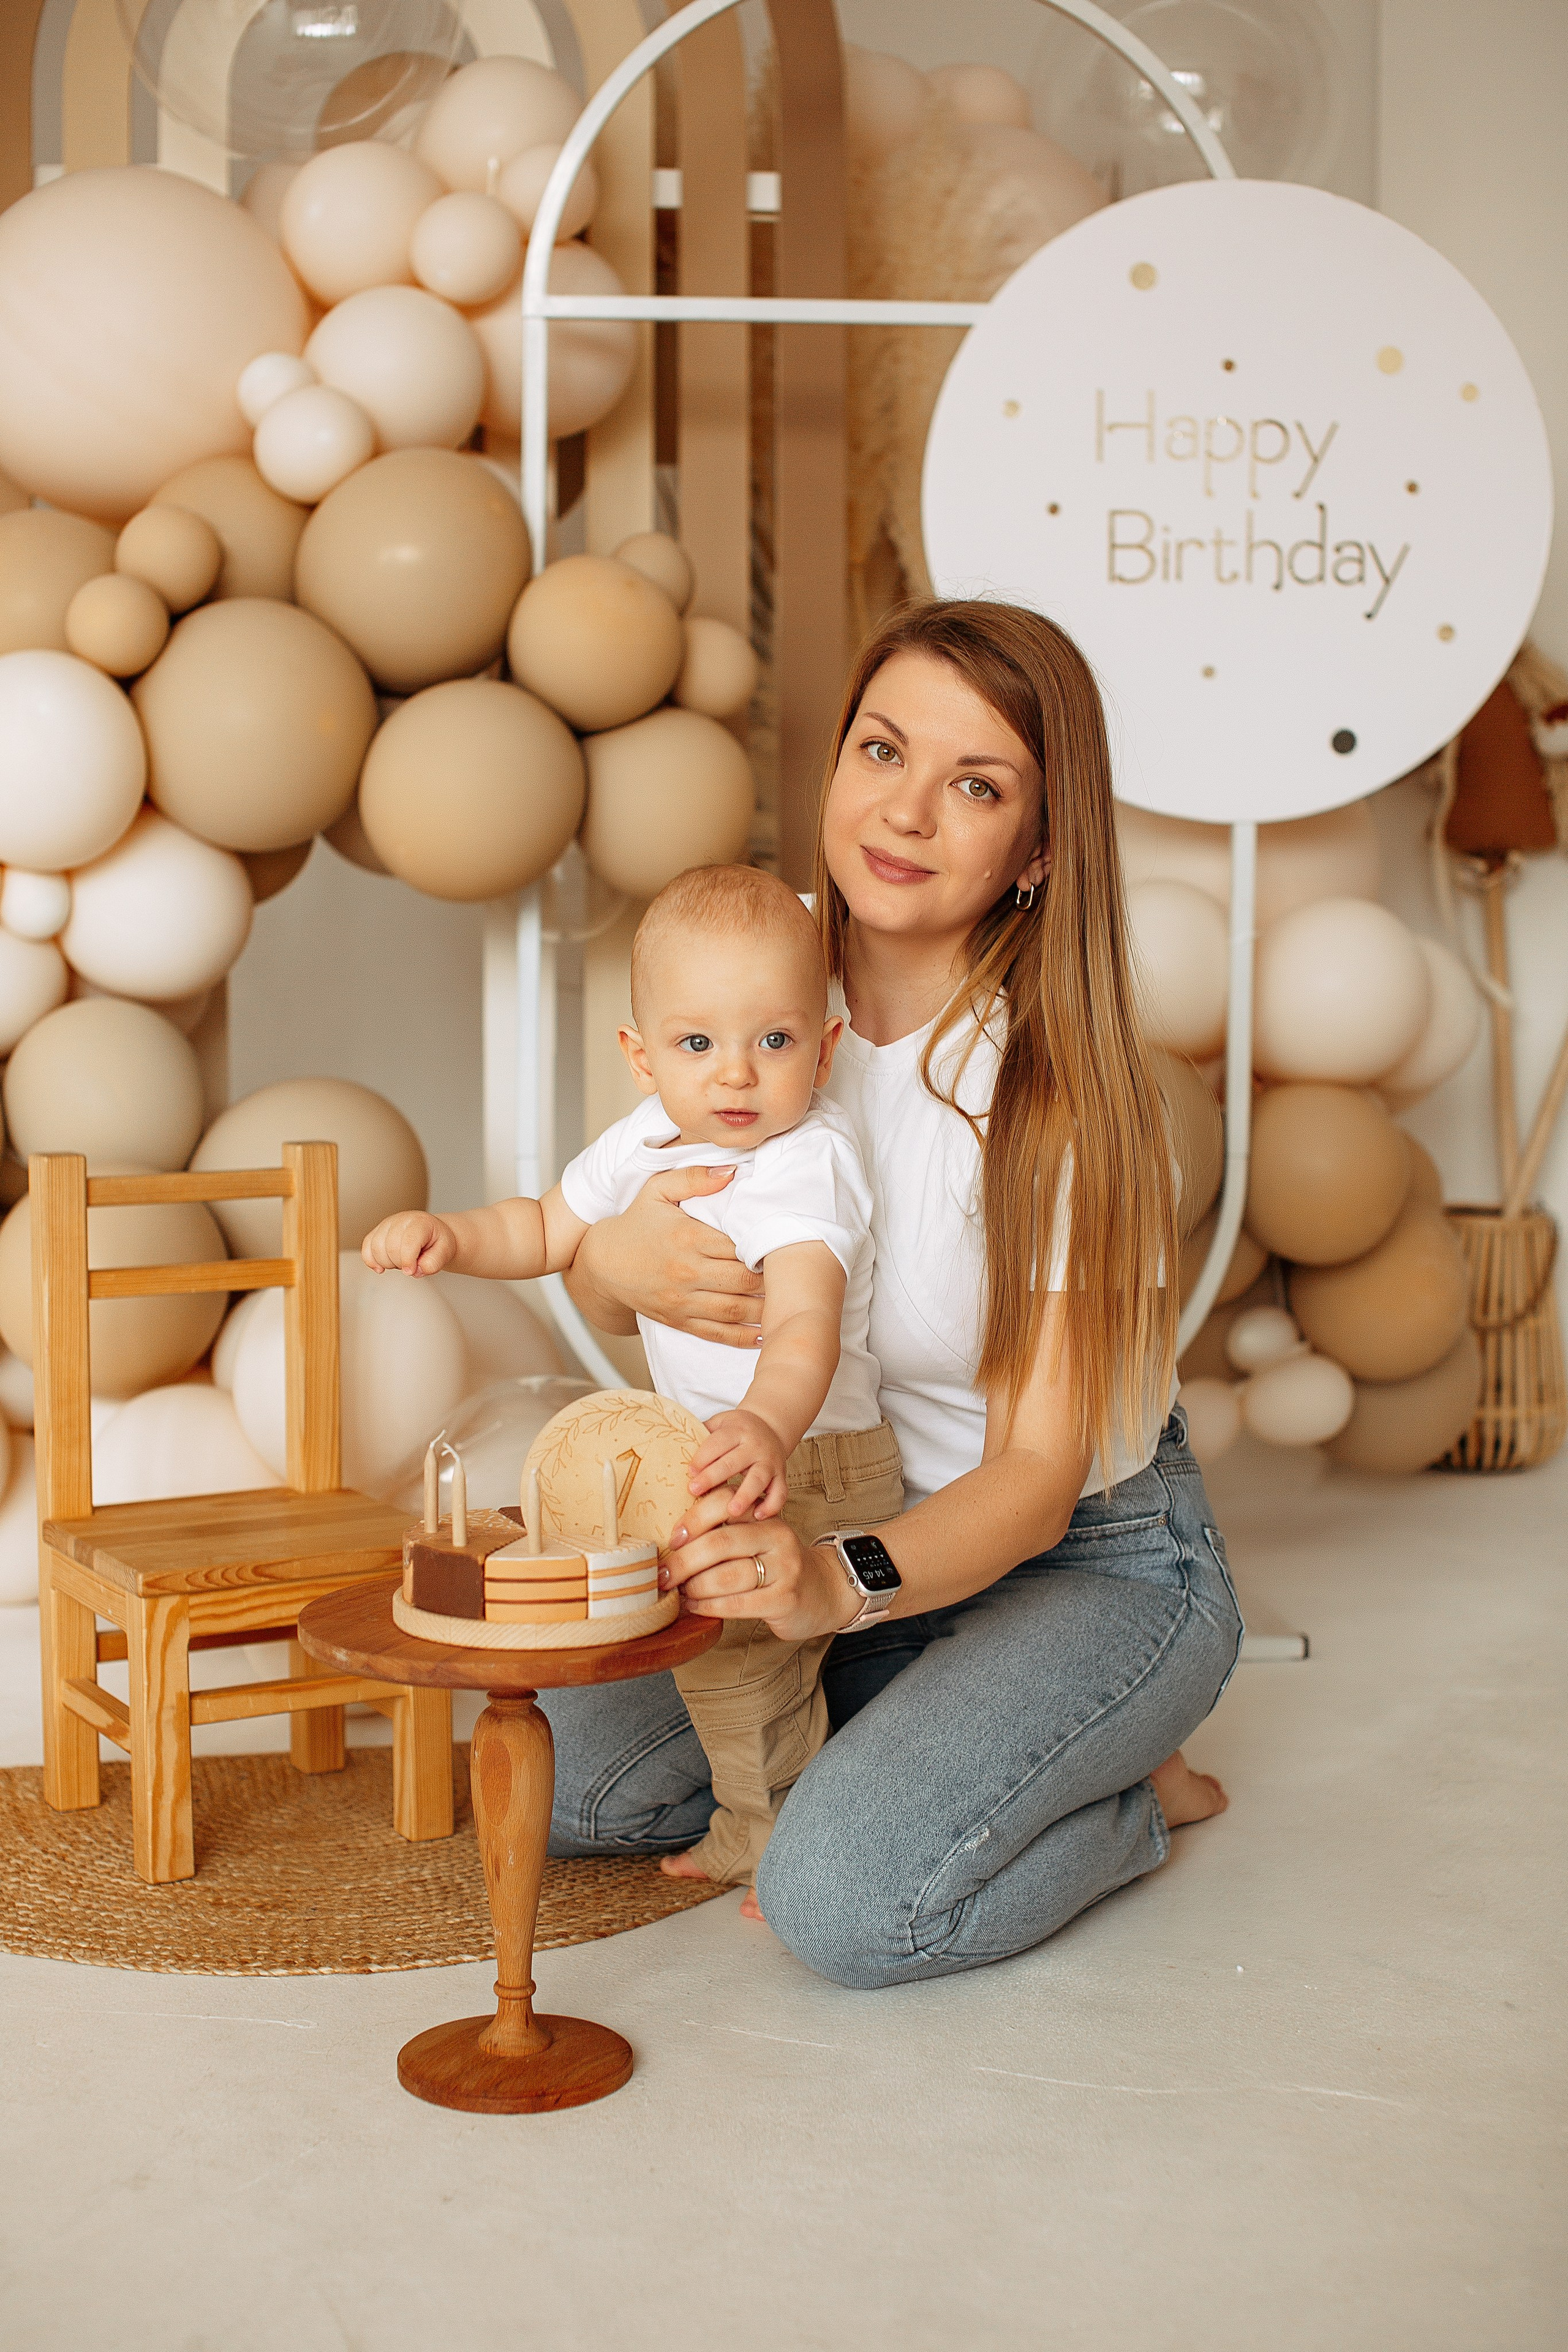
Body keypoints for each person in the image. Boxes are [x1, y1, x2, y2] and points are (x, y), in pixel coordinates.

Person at [545, 598, 1243, 1988]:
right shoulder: (741, 967)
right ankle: (946, 1720)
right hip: (840, 1512)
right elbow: (640, 1248)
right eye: (880, 750)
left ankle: (1118, 1794)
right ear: (829, 766)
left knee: (847, 1904)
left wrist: (827, 1585)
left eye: (973, 785)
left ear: (1038, 850)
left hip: (1079, 1555)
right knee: (588, 1793)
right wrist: (605, 1257)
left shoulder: (1066, 1093)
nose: (904, 813)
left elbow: (1041, 1476)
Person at [361, 861, 903, 1888]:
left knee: (738, 1664)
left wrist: (765, 1428)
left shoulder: (804, 1162)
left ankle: (770, 1836)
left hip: (812, 1455)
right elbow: (542, 1227)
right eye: (698, 1044)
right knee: (695, 1642)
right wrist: (451, 1235)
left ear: (824, 1047)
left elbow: (803, 1330)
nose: (736, 1076)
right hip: (721, 1454)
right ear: (642, 1057)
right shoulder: (644, 1141)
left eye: (774, 1041)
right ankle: (840, 1739)